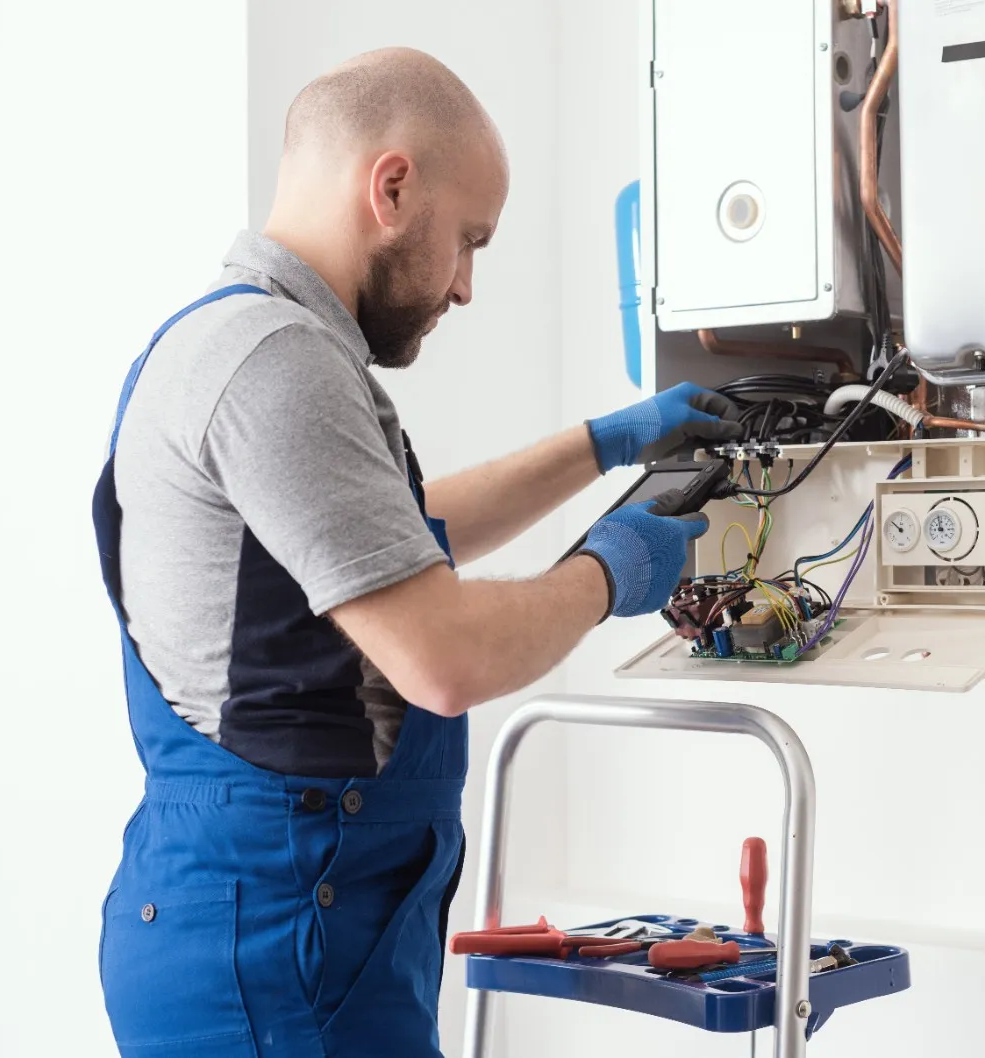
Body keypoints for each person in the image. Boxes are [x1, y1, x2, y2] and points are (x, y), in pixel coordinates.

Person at [92, 48, 740, 1058]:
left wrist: (603, 442)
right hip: (280, 938)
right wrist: (608, 570)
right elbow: (444, 660)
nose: (468, 284)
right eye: (468, 239)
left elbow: (381, 534)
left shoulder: (233, 341)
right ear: (392, 187)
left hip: (286, 921)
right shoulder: (276, 363)